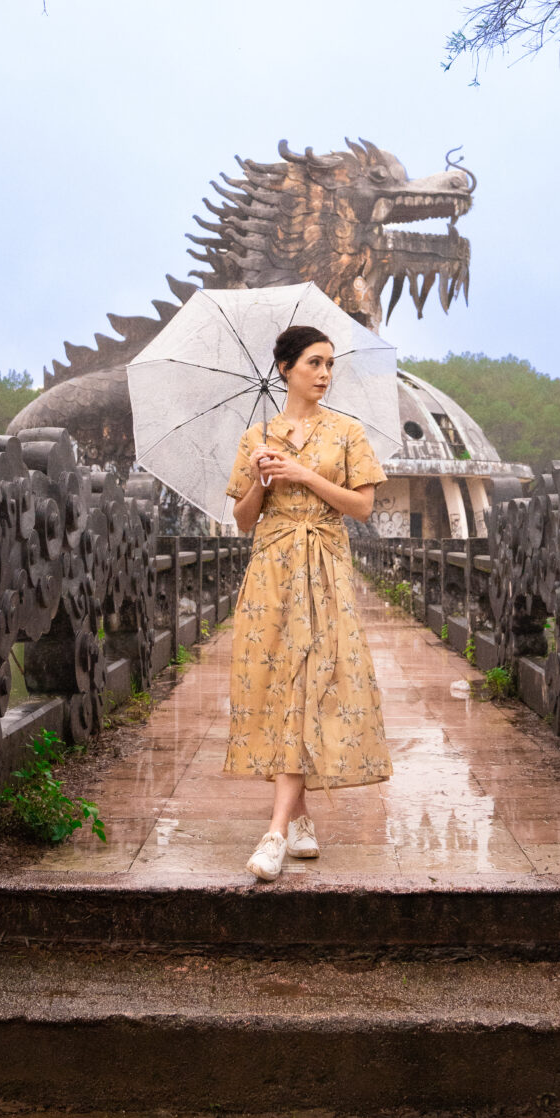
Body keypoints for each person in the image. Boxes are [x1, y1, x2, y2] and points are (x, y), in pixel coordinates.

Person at [225, 324, 393, 880]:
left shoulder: (347, 432)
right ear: (285, 369)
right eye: (314, 364)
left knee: (312, 683)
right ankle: (298, 821)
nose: (323, 374)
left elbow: (363, 507)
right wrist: (260, 482)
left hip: (324, 566)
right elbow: (244, 520)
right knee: (275, 686)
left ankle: (274, 833)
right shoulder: (258, 438)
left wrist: (301, 474)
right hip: (270, 570)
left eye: (329, 365)